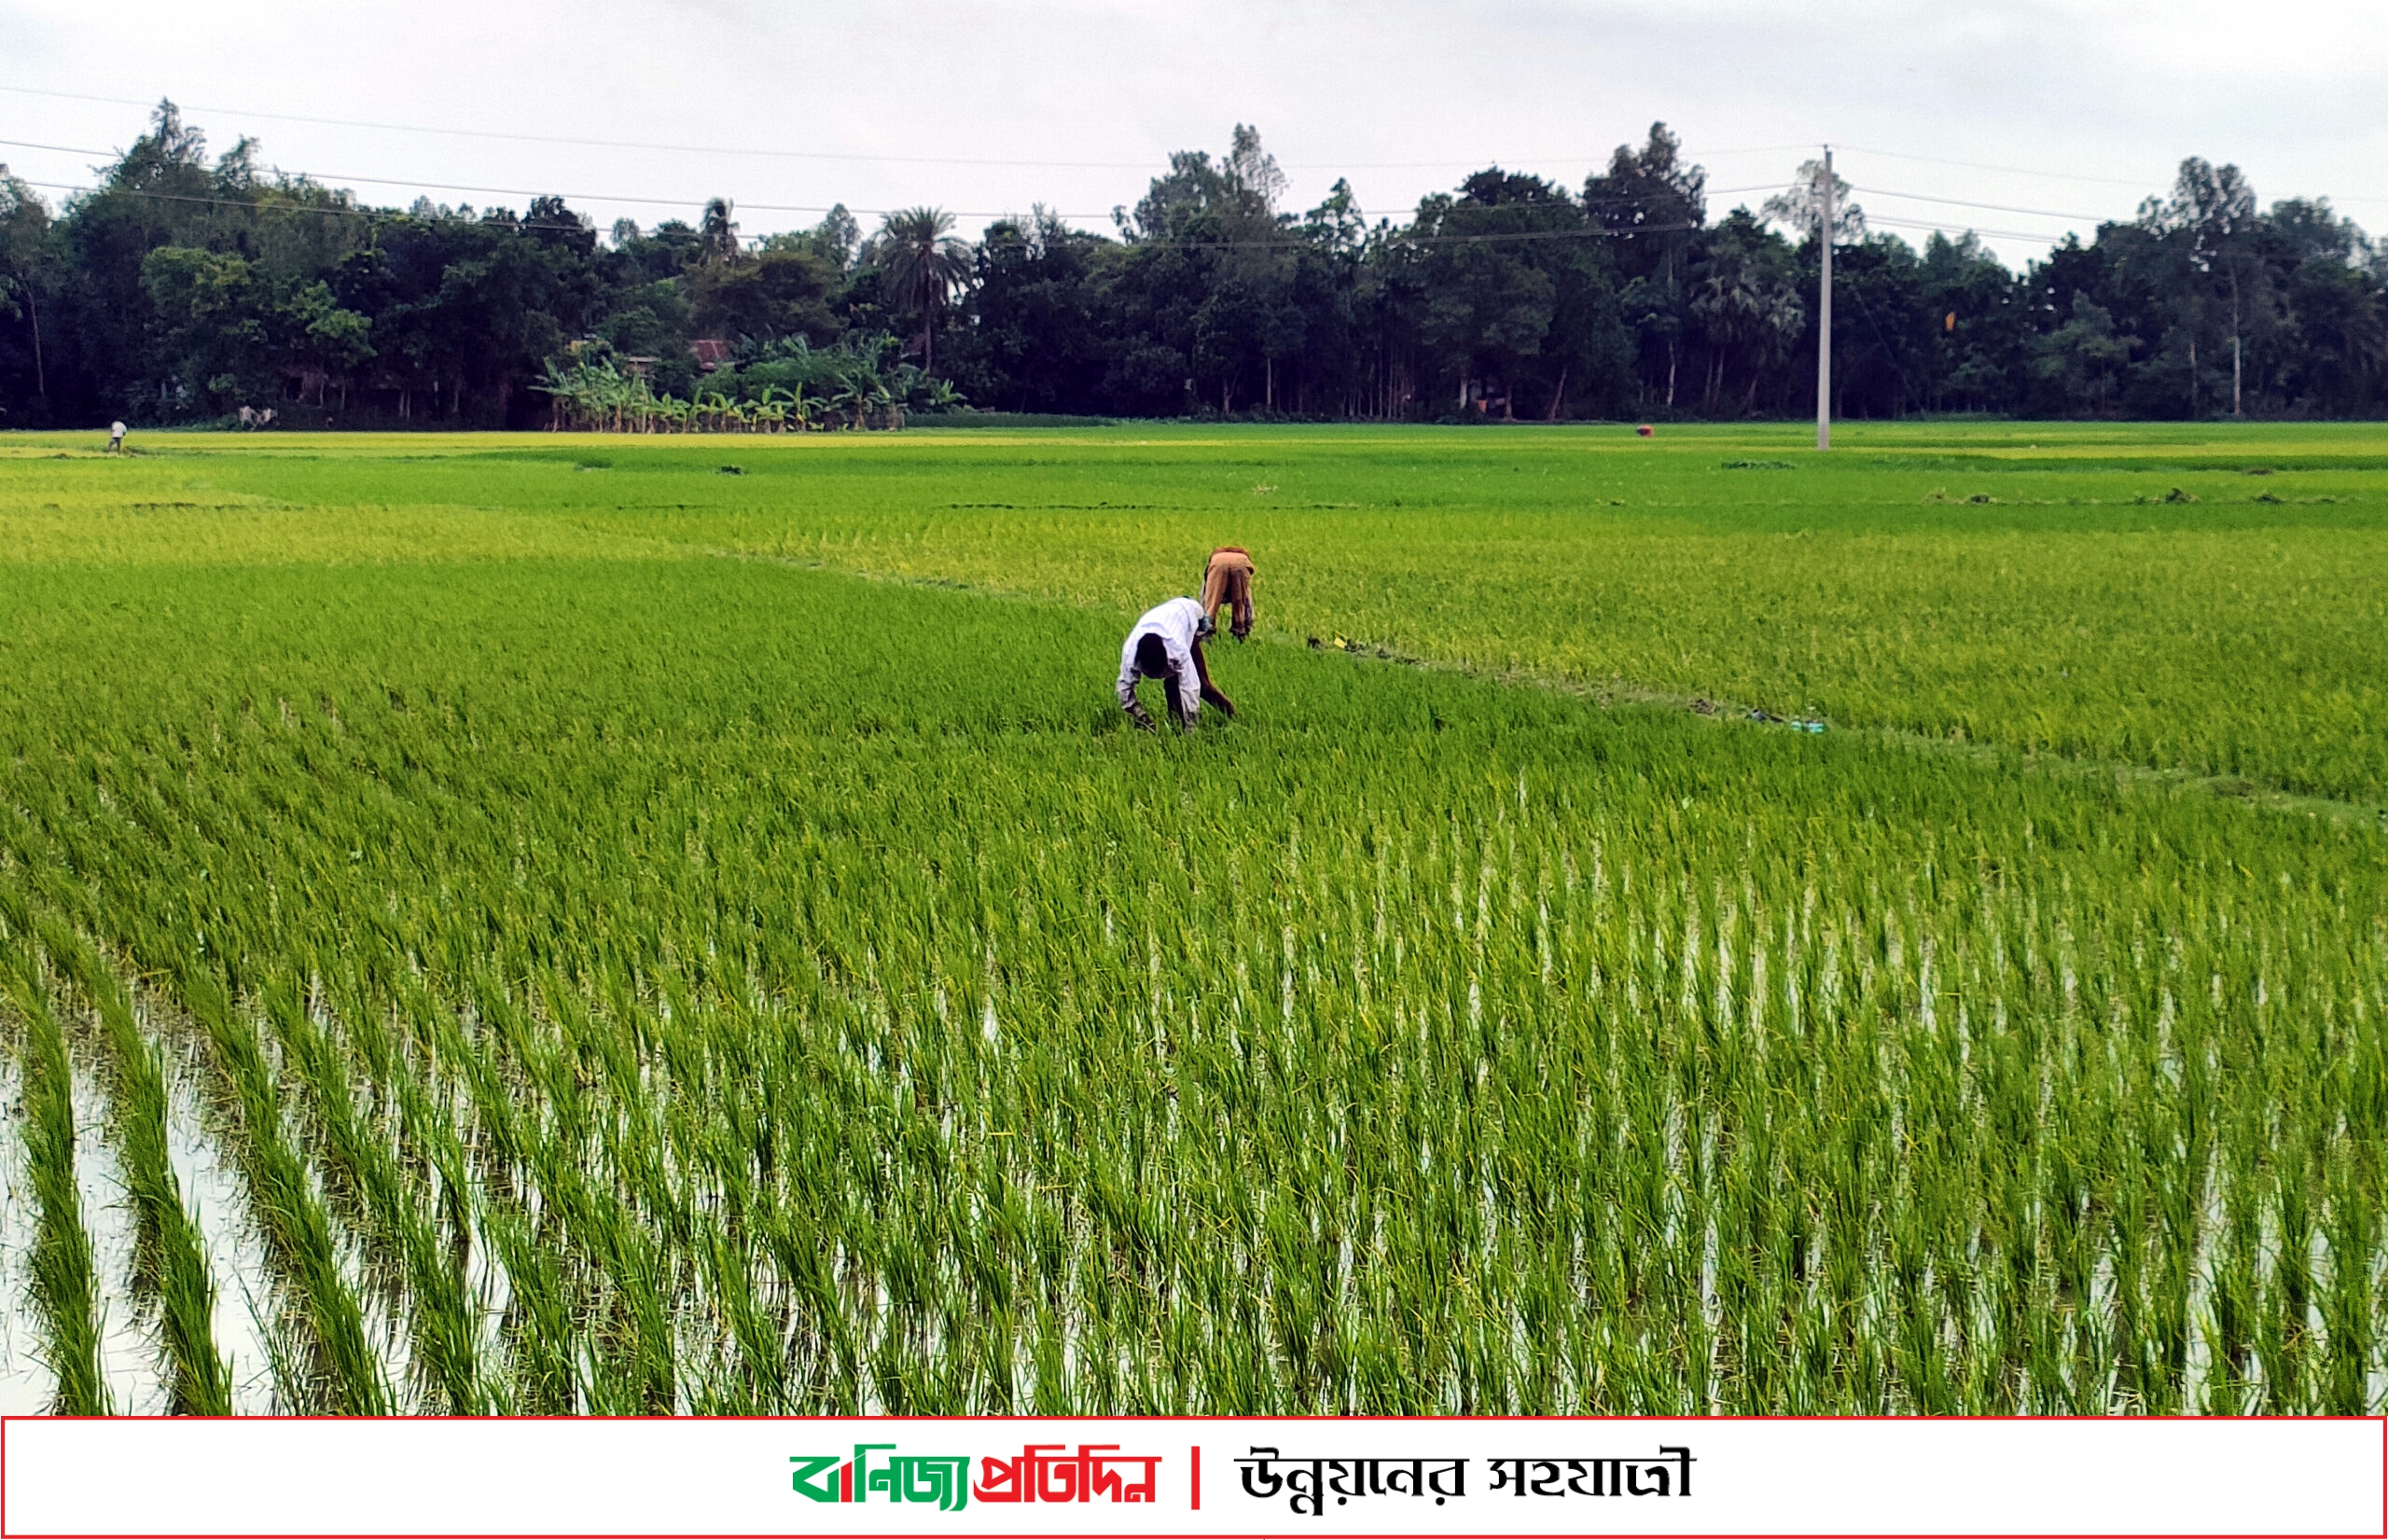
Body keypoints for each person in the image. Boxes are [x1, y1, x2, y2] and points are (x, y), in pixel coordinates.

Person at [1117, 596, 1234, 731]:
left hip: (1191, 614)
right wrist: (1143, 719)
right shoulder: (1130, 654)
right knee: (1171, 684)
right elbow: (1124, 692)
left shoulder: (1178, 650)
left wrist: (1191, 730)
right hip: (1166, 618)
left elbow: (1191, 686)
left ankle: (1233, 715)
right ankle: (1175, 724)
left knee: (1202, 686)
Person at [1201, 546, 1255, 640]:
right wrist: (1249, 623)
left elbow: (1204, 596)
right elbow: (1247, 601)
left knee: (1211, 603)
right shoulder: (1243, 555)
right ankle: (1240, 632)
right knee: (1241, 602)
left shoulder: (1216, 555)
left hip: (1218, 562)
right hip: (1241, 562)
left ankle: (1206, 631)